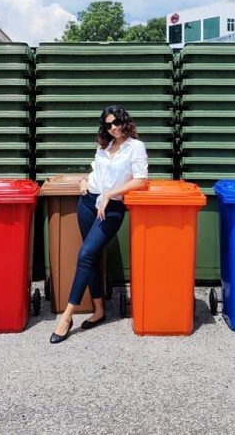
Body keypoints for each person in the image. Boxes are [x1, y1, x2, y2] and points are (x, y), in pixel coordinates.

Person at [50, 105, 148, 344]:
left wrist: (109, 194)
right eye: (108, 124)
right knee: (90, 257)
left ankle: (67, 315)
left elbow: (140, 181)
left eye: (116, 122)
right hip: (88, 202)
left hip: (111, 207)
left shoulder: (136, 147)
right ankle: (99, 310)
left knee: (85, 254)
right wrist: (85, 180)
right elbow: (97, 173)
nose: (113, 128)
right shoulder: (103, 145)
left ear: (125, 121)